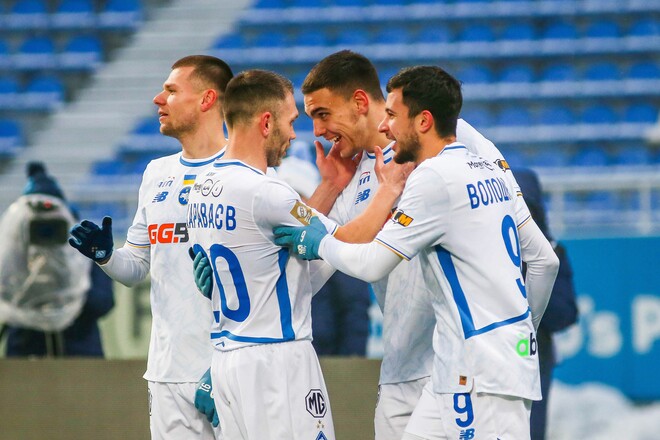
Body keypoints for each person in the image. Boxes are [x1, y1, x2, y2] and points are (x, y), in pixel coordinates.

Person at [275, 65, 560, 439]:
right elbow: (315, 271)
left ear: (360, 102)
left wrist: (513, 340)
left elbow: (365, 260)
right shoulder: (358, 174)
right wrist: (519, 338)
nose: (317, 131)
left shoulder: (444, 160)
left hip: (472, 365)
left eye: (323, 114)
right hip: (420, 372)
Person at [69, 55, 234, 439]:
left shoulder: (243, 172)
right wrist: (106, 257)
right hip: (166, 373)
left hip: (230, 370)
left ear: (207, 99)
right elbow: (137, 266)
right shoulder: (157, 173)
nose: (159, 99)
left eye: (172, 91)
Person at [185, 69, 340, 440]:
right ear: (266, 122)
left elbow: (276, 272)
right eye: (291, 122)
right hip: (277, 362)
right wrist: (390, 192)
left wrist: (332, 186)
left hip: (227, 360)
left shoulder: (200, 188)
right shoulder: (268, 191)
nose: (294, 134)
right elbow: (347, 244)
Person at [1, 162, 113, 357]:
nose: (45, 230)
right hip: (25, 352)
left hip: (79, 352)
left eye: (54, 224)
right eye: (35, 225)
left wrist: (67, 290)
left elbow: (103, 302)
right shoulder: (14, 256)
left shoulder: (84, 249)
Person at [513, 168, 579, 440]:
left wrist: (536, 277)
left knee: (530, 430)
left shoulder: (553, 252)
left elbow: (566, 313)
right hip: (489, 353)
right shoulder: (485, 250)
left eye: (527, 209)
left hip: (534, 354)